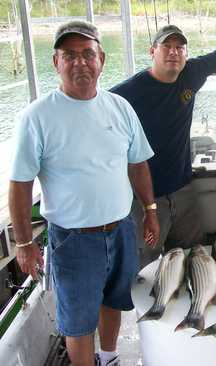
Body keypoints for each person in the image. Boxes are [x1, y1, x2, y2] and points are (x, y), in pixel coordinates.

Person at [9, 21, 160, 366]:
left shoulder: (120, 108)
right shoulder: (37, 117)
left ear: (101, 59)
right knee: (77, 321)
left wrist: (150, 210)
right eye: (70, 55)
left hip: (121, 229)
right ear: (56, 63)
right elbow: (19, 185)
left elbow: (137, 164)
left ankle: (108, 358)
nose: (80, 62)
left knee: (114, 302)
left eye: (87, 54)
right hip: (72, 240)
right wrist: (23, 243)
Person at [111, 25, 216, 265]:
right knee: (144, 263)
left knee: (193, 258)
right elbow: (99, 116)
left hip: (183, 190)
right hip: (145, 199)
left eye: (179, 47)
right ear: (152, 51)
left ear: (186, 54)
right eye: (167, 46)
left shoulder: (191, 73)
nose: (173, 52)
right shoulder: (128, 92)